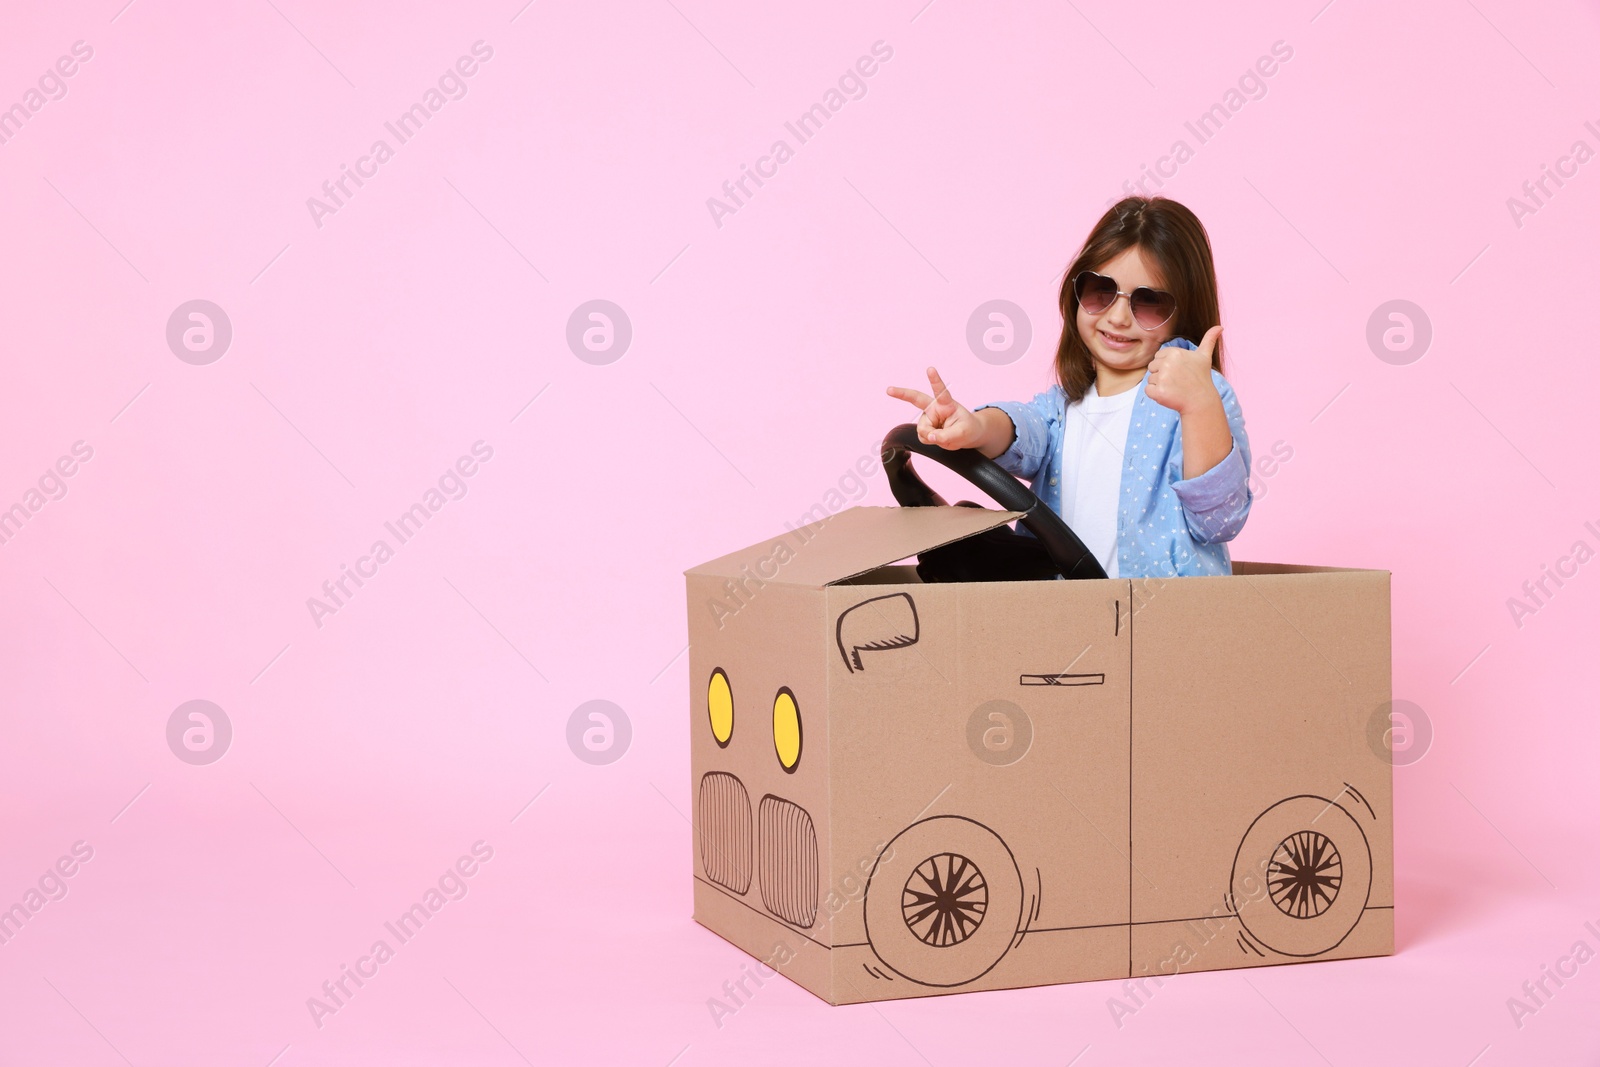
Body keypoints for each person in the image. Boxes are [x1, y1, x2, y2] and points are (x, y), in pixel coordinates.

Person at [887, 196, 1252, 578]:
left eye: (1149, 302)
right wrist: (976, 427)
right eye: (1100, 290)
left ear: (1186, 311)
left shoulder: (1198, 399)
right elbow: (1021, 429)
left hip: (1162, 626)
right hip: (1064, 624)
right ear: (1076, 291)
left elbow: (1219, 523)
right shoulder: (1061, 409)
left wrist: (1199, 405)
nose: (1118, 317)